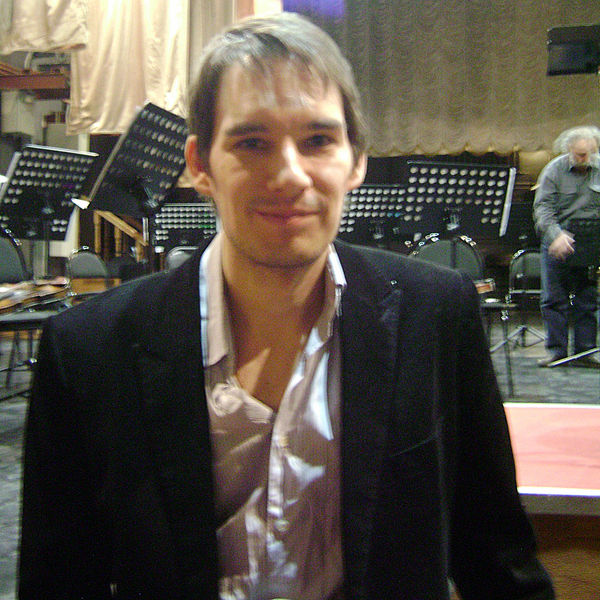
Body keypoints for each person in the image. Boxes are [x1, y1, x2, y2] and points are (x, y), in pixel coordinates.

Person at [18, 12, 554, 600]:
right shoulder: (87, 350)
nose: (290, 174)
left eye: (318, 140)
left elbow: (498, 559)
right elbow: (59, 580)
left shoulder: (436, 314)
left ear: (356, 160)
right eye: (252, 143)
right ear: (199, 165)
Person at [533, 125, 600, 367]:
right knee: (554, 298)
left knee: (587, 299)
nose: (585, 159)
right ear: (568, 150)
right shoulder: (553, 170)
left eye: (590, 153)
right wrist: (556, 235)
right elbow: (543, 209)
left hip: (590, 239)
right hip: (558, 239)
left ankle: (586, 352)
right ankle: (557, 351)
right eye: (580, 154)